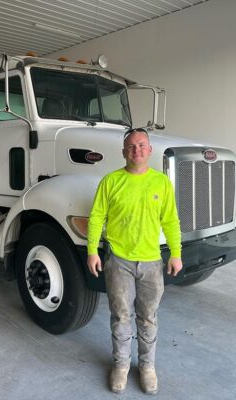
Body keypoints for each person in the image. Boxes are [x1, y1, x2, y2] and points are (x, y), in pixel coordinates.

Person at [87, 128, 183, 395]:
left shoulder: (161, 183)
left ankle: (147, 367)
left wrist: (176, 253)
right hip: (118, 262)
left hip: (152, 263)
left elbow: (171, 221)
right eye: (131, 146)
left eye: (142, 145)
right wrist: (92, 251)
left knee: (148, 317)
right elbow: (96, 218)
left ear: (150, 150)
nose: (136, 150)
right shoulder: (110, 181)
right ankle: (121, 366)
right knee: (120, 316)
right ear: (123, 152)